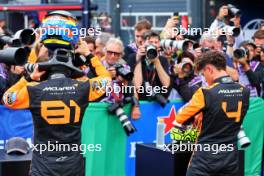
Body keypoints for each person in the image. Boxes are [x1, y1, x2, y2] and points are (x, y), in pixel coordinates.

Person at [2, 10, 111, 176]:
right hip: (73, 167)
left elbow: (8, 98)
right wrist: (89, 56)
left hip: (43, 168)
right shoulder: (83, 87)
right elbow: (106, 80)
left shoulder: (33, 89)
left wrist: (28, 76)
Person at [174, 51, 250, 176]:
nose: (204, 78)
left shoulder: (205, 92)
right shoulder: (244, 91)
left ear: (209, 69)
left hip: (204, 159)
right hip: (230, 158)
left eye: (203, 74)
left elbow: (181, 117)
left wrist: (197, 118)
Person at [127, 30, 170, 101]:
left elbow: (166, 84)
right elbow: (137, 85)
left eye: (156, 42)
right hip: (139, 101)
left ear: (159, 45)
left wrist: (156, 61)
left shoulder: (163, 60)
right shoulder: (133, 57)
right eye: (150, 42)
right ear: (142, 43)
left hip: (157, 102)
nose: (153, 45)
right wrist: (139, 59)